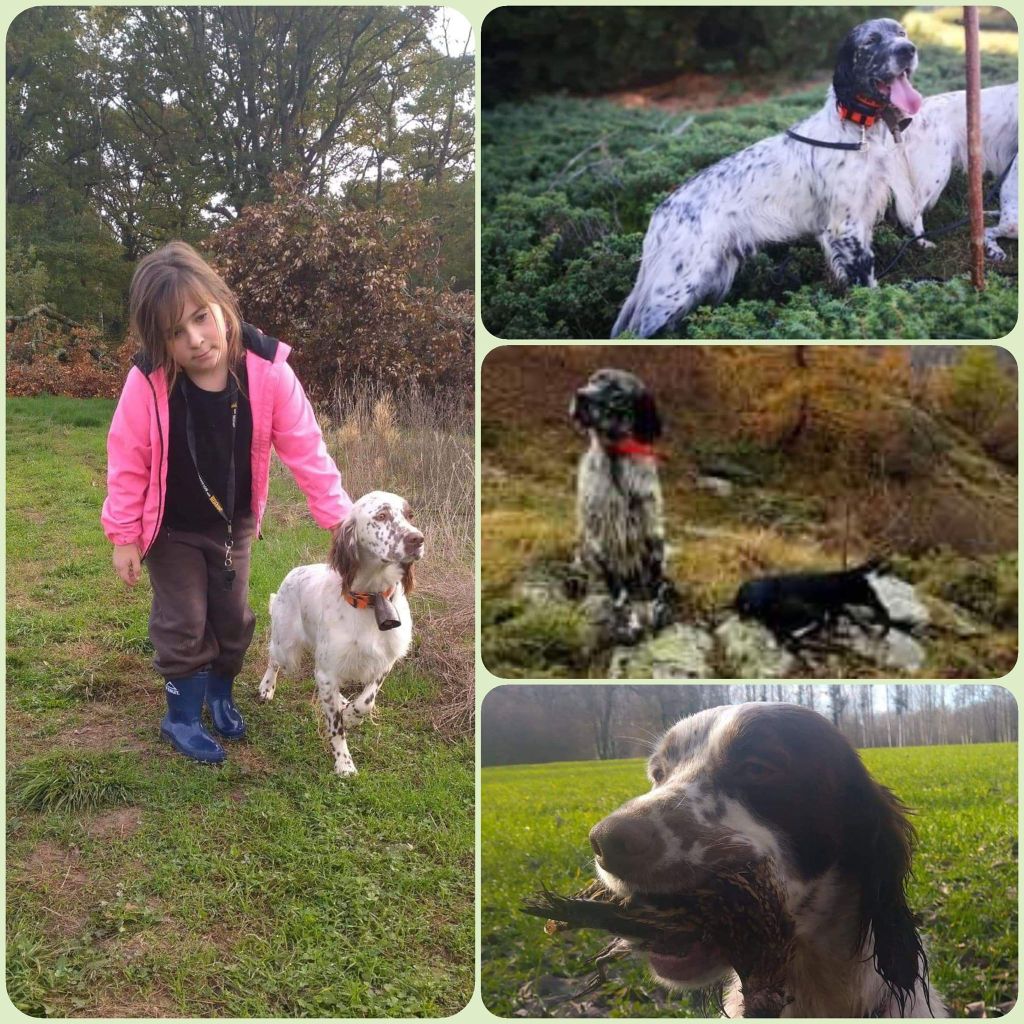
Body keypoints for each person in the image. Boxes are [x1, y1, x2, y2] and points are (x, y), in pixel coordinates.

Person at [102, 241, 351, 763]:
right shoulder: (147, 382)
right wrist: (124, 536)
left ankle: (219, 692)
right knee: (183, 620)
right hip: (168, 529)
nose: (195, 340)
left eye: (201, 318)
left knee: (233, 620)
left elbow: (306, 447)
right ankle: (181, 716)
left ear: (221, 304)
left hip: (232, 524)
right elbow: (128, 459)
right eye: (175, 332)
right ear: (159, 339)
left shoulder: (267, 369)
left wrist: (338, 519)